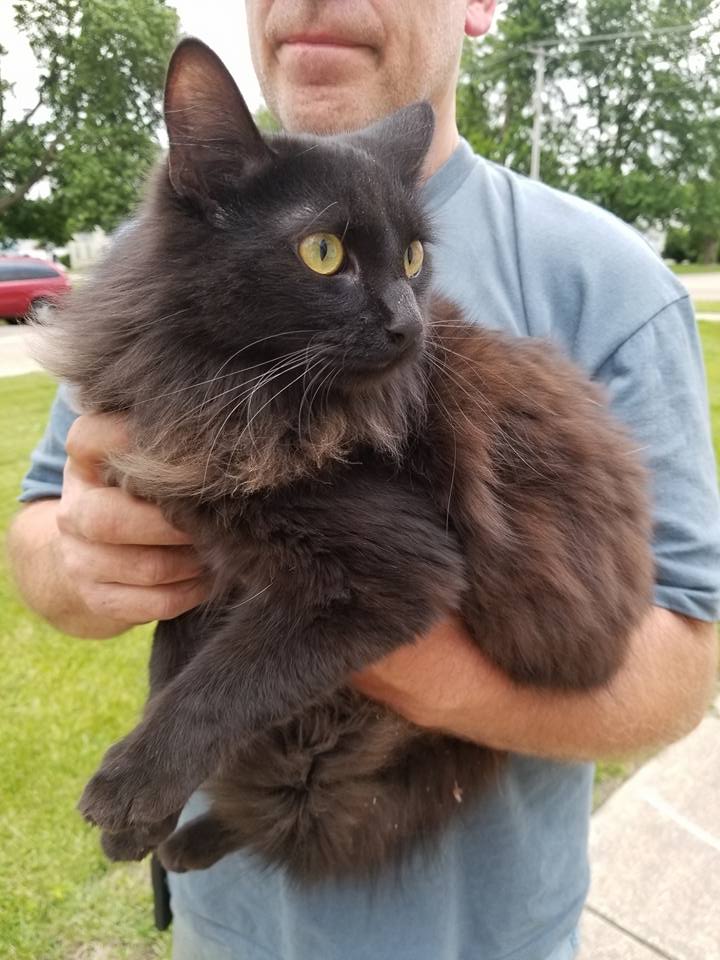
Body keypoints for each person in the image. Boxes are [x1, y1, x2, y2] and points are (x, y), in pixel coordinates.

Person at [7, 2, 720, 958]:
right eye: (325, 255)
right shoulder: (159, 273)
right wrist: (79, 560)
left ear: (478, 9)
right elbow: (44, 534)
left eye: (412, 265)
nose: (402, 324)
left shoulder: (611, 281)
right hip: (232, 938)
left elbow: (678, 662)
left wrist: (369, 664)